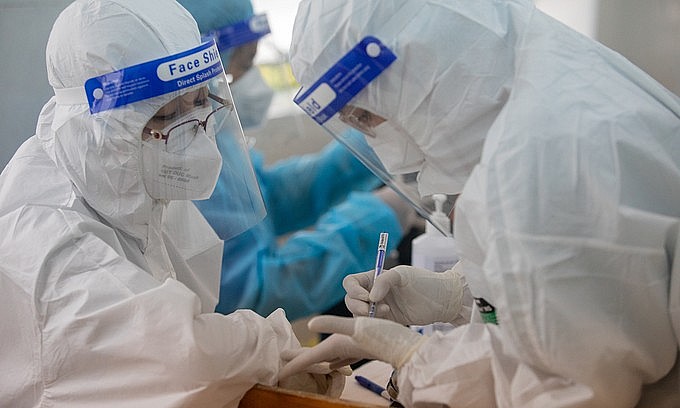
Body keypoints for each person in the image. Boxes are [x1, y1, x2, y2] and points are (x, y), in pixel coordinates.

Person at [279, 0, 680, 406]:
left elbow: (571, 392)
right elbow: (586, 298)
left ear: (420, 59)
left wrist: (419, 360)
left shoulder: (533, 165)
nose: (374, 140)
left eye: (364, 116)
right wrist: (458, 292)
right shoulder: (544, 75)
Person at [0, 0, 348, 406]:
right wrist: (273, 349)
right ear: (100, 127)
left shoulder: (132, 189)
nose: (191, 131)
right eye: (166, 115)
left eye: (200, 101)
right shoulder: (48, 236)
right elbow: (187, 357)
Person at [178, 0, 414, 320]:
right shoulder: (179, 163)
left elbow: (263, 200)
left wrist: (377, 139)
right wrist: (380, 215)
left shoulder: (211, 136)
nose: (253, 79)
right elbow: (251, 293)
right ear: (203, 64)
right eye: (245, 65)